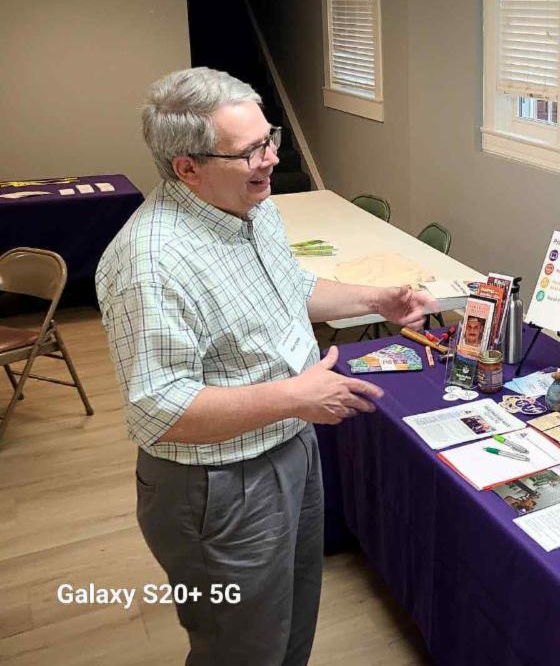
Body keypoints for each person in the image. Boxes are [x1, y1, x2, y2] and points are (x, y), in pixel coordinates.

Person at [96, 68, 434, 666]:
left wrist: (374, 300)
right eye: (250, 151)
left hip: (290, 446)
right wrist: (296, 397)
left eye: (269, 138)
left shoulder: (253, 209)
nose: (272, 157)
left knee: (290, 625)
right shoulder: (150, 262)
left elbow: (289, 290)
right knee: (242, 648)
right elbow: (158, 410)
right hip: (220, 483)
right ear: (187, 168)